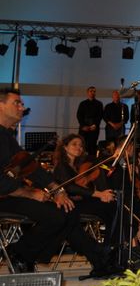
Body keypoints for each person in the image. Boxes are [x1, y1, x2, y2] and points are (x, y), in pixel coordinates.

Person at [0, 87, 116, 276]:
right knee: (56, 216)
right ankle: (20, 252)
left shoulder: (7, 136)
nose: (22, 107)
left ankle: (99, 258)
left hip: (12, 193)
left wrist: (58, 191)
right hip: (5, 197)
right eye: (17, 103)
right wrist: (30, 193)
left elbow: (31, 168)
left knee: (67, 209)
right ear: (1, 105)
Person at [77, 86, 103, 159]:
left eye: (94, 91)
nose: (92, 93)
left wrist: (95, 125)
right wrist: (83, 126)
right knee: (82, 145)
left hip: (94, 128)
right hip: (84, 128)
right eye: (91, 91)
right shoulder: (82, 103)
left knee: (92, 145)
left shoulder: (99, 104)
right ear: (87, 93)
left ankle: (92, 161)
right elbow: (79, 115)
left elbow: (100, 116)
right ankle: (81, 161)